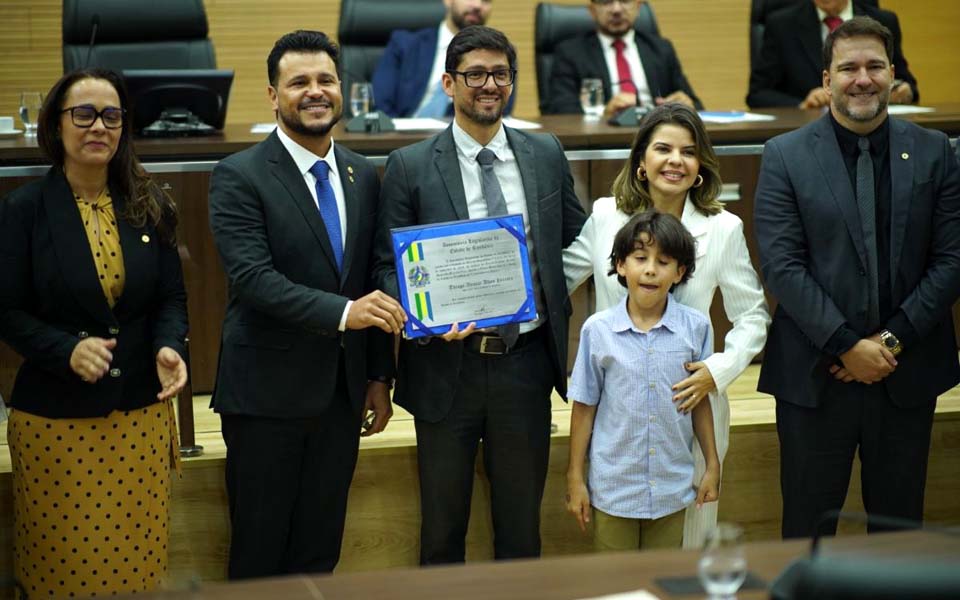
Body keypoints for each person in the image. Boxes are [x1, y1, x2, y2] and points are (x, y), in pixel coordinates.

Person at [373, 25, 587, 564]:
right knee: (442, 533)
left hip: (525, 366)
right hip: (448, 367)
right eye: (474, 75)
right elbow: (386, 266)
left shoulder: (544, 152)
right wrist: (423, 315)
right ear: (448, 83)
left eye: (500, 74)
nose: (488, 85)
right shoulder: (410, 165)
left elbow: (578, 237)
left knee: (522, 534)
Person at [207, 30, 405, 578]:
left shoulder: (362, 173)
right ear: (273, 95)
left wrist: (379, 378)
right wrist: (346, 314)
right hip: (265, 399)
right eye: (299, 82)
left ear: (342, 89)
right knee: (260, 554)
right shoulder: (239, 175)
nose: (314, 92)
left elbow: (371, 280)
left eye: (325, 80)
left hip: (341, 398)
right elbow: (253, 280)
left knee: (321, 552)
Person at [754, 17, 960, 539]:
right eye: (848, 68)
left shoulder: (936, 151)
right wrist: (847, 346)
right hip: (815, 377)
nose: (861, 79)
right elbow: (782, 265)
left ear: (893, 74)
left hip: (906, 373)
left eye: (874, 66)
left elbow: (952, 259)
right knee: (806, 533)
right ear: (827, 79)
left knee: (897, 533)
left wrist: (886, 343)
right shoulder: (785, 154)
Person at [0, 68, 188, 597]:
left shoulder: (148, 203)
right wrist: (65, 349)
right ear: (55, 126)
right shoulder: (24, 210)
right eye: (83, 114)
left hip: (140, 419)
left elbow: (171, 297)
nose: (98, 126)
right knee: (63, 574)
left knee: (137, 571)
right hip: (58, 424)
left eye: (111, 116)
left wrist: (169, 346)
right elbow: (6, 310)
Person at [563, 103, 769, 548]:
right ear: (641, 162)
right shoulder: (604, 216)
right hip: (618, 416)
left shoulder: (724, 227)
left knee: (688, 548)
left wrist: (719, 370)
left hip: (690, 409)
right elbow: (559, 278)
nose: (676, 160)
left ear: (700, 168)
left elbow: (753, 316)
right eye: (663, 149)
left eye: (688, 152)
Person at [566, 211, 720, 551]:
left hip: (671, 488)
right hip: (612, 489)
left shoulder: (696, 329)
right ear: (621, 265)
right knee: (616, 584)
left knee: (660, 581)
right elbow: (584, 407)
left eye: (663, 261)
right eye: (640, 258)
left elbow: (700, 403)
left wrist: (712, 464)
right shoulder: (597, 330)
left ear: (680, 272)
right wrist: (575, 477)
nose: (650, 269)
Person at [544, 0, 702, 118]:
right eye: (606, 2)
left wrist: (686, 105)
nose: (616, 9)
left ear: (638, 6)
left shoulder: (661, 49)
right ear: (592, 10)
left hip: (657, 136)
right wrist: (604, 113)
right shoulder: (571, 52)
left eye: (625, 1)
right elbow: (559, 110)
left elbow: (696, 105)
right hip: (603, 139)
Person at [747, 0, 918, 109]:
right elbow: (758, 94)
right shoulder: (782, 25)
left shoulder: (883, 21)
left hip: (869, 123)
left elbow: (907, 84)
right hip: (807, 130)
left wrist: (904, 91)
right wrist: (802, 104)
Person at [372, 0, 513, 118]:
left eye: (486, 0)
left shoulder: (500, 55)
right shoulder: (405, 44)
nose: (477, 5)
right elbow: (381, 106)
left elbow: (500, 110)